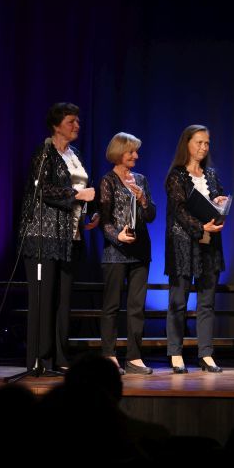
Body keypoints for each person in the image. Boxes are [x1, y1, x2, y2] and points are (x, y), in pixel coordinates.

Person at [17, 102, 97, 372]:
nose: (77, 125)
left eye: (78, 121)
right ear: (56, 125)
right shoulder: (44, 152)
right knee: (43, 299)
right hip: (43, 235)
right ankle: (40, 359)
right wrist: (76, 195)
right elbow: (42, 189)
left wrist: (92, 212)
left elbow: (84, 189)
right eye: (71, 121)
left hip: (69, 236)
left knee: (63, 300)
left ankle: (60, 358)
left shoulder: (75, 155)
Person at [165, 124, 228, 373]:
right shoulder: (177, 176)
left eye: (206, 143)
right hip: (183, 244)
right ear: (187, 144)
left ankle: (206, 354)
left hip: (209, 245)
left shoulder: (211, 174)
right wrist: (201, 227)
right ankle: (175, 352)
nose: (203, 147)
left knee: (206, 303)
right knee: (178, 301)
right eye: (199, 142)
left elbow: (217, 201)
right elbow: (179, 210)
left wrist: (220, 202)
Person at [98, 132, 157, 375]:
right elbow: (104, 220)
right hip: (116, 251)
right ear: (119, 152)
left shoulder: (141, 179)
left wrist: (143, 199)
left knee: (136, 307)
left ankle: (134, 357)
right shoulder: (108, 181)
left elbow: (151, 215)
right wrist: (117, 236)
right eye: (131, 151)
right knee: (112, 306)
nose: (136, 155)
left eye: (136, 151)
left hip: (140, 251)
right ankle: (109, 355)